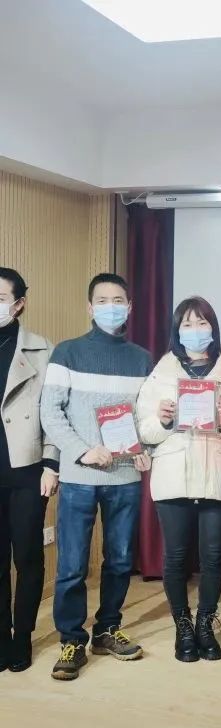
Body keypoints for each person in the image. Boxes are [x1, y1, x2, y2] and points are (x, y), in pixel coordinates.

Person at [41, 273, 153, 681]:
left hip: (125, 476)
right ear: (90, 307)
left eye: (118, 300)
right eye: (102, 300)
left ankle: (107, 629)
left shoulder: (142, 358)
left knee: (120, 560)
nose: (111, 307)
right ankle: (72, 639)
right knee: (72, 565)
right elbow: (50, 413)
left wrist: (146, 448)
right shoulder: (67, 352)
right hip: (79, 476)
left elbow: (146, 417)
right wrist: (82, 451)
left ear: (129, 307)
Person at [136, 297, 221, 663]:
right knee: (176, 556)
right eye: (188, 324)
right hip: (173, 473)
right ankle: (182, 626)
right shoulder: (161, 373)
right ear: (177, 331)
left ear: (213, 328)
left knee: (213, 556)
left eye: (202, 323)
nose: (195, 331)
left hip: (218, 471)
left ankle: (205, 625)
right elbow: (144, 430)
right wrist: (163, 420)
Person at [0, 267, 59, 674]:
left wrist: (52, 463)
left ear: (19, 303)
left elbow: (53, 413)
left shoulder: (42, 349)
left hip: (26, 469)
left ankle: (22, 635)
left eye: (1, 297)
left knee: (27, 556)